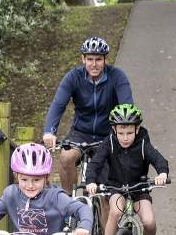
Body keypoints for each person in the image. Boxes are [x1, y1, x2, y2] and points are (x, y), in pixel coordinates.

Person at [84, 103, 169, 235]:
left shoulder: (143, 143)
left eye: (129, 133)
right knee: (115, 212)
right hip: (116, 187)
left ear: (137, 129)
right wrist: (91, 181)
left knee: (149, 221)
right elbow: (95, 163)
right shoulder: (109, 143)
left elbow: (158, 159)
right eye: (121, 133)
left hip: (139, 188)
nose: (125, 138)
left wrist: (162, 173)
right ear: (114, 130)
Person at [41, 36, 134, 194]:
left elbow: (127, 107)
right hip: (80, 132)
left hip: (107, 135)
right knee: (66, 157)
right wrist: (49, 131)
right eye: (90, 59)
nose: (94, 64)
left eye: (98, 59)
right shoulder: (73, 77)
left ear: (105, 60)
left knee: (105, 192)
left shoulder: (117, 77)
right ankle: (68, 201)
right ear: (83, 59)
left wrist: (125, 133)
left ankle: (101, 203)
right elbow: (58, 104)